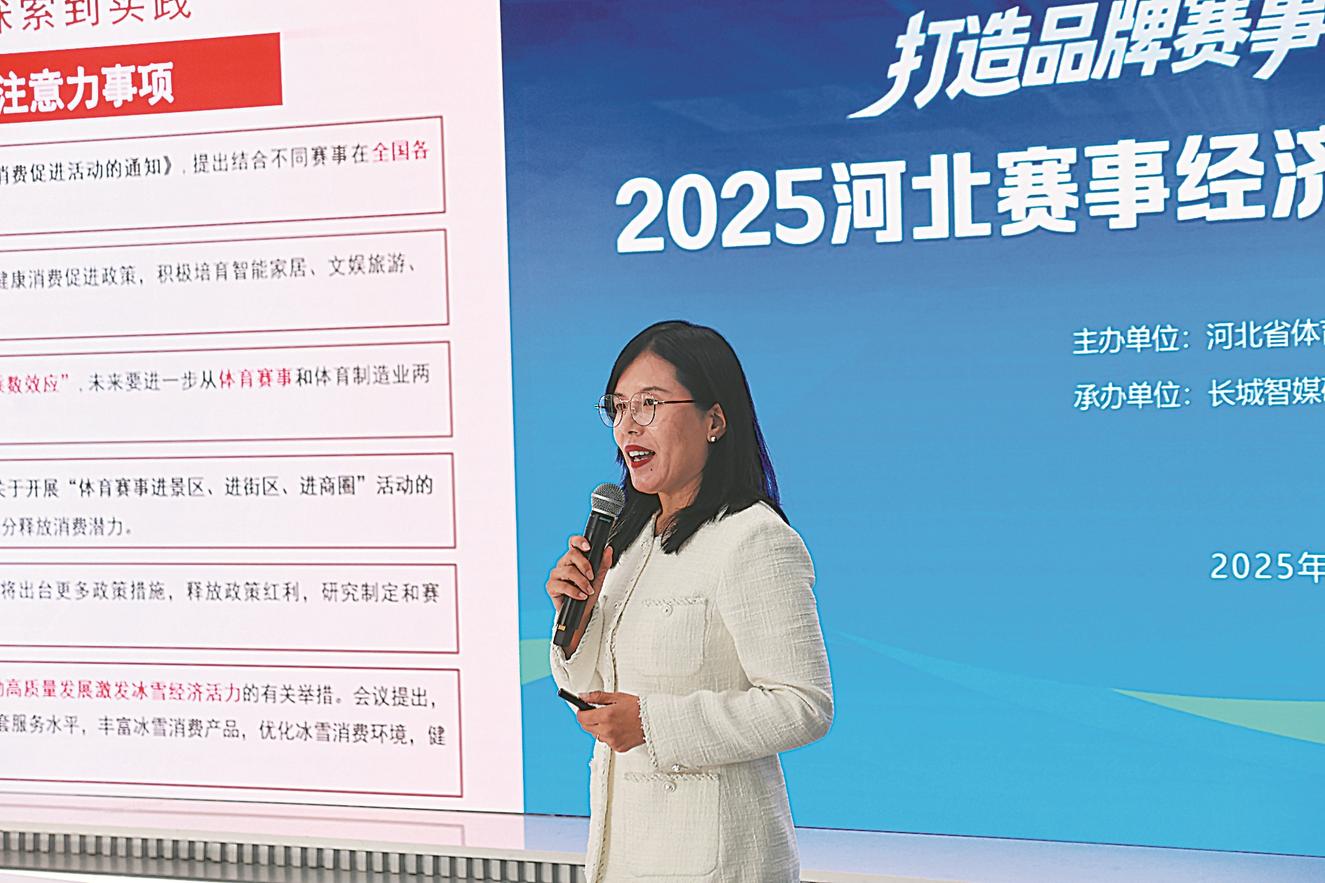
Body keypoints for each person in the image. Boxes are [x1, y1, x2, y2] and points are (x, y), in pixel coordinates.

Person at [546, 320, 833, 882]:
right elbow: (595, 691)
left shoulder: (754, 539)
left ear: (715, 420)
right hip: (625, 856)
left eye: (650, 404)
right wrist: (577, 621)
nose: (629, 425)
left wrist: (653, 724)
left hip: (719, 863)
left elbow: (804, 705)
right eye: (618, 407)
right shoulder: (629, 539)